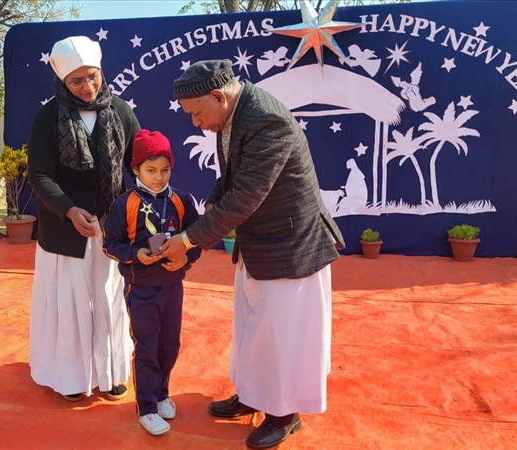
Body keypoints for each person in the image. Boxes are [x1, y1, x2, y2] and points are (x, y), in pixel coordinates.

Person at [159, 59, 346, 449]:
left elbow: (247, 194)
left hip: (290, 247)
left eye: (197, 114)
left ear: (217, 96)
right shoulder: (231, 114)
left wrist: (189, 240)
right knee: (253, 330)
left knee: (281, 338)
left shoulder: (266, 120)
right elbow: (232, 175)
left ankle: (284, 416)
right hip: (261, 243)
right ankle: (253, 395)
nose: (196, 123)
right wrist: (213, 202)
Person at [27, 35, 140, 402]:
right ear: (62, 80)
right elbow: (39, 174)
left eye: (93, 76)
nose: (87, 86)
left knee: (109, 298)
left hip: (111, 228)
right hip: (64, 231)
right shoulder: (48, 117)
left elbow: (139, 164)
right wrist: (68, 210)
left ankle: (111, 371)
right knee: (68, 303)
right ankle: (71, 376)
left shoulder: (121, 111)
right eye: (76, 80)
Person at [103, 130, 202, 436]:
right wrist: (136, 255)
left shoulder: (181, 200)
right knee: (147, 347)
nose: (159, 177)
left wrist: (187, 258)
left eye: (165, 170)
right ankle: (146, 407)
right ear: (135, 169)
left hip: (173, 288)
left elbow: (198, 237)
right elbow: (111, 245)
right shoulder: (124, 204)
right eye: (151, 170)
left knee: (169, 345)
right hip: (141, 289)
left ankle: (161, 394)